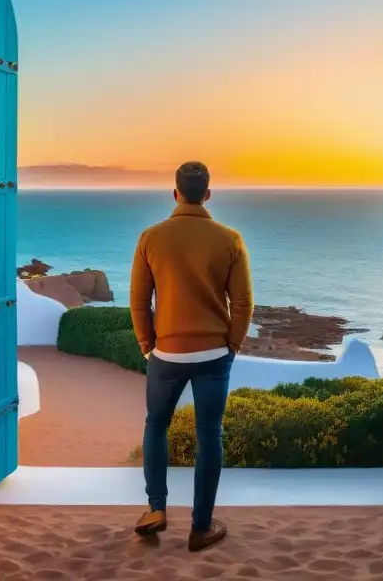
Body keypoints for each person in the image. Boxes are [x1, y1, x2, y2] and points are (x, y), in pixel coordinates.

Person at [128, 161, 254, 552]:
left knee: (156, 425)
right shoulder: (229, 239)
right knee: (209, 435)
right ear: (209, 193)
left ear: (175, 193)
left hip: (166, 353)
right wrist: (231, 345)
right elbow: (244, 302)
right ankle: (200, 528)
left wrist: (147, 343)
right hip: (215, 354)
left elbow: (138, 300)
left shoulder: (151, 237)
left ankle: (156, 509)